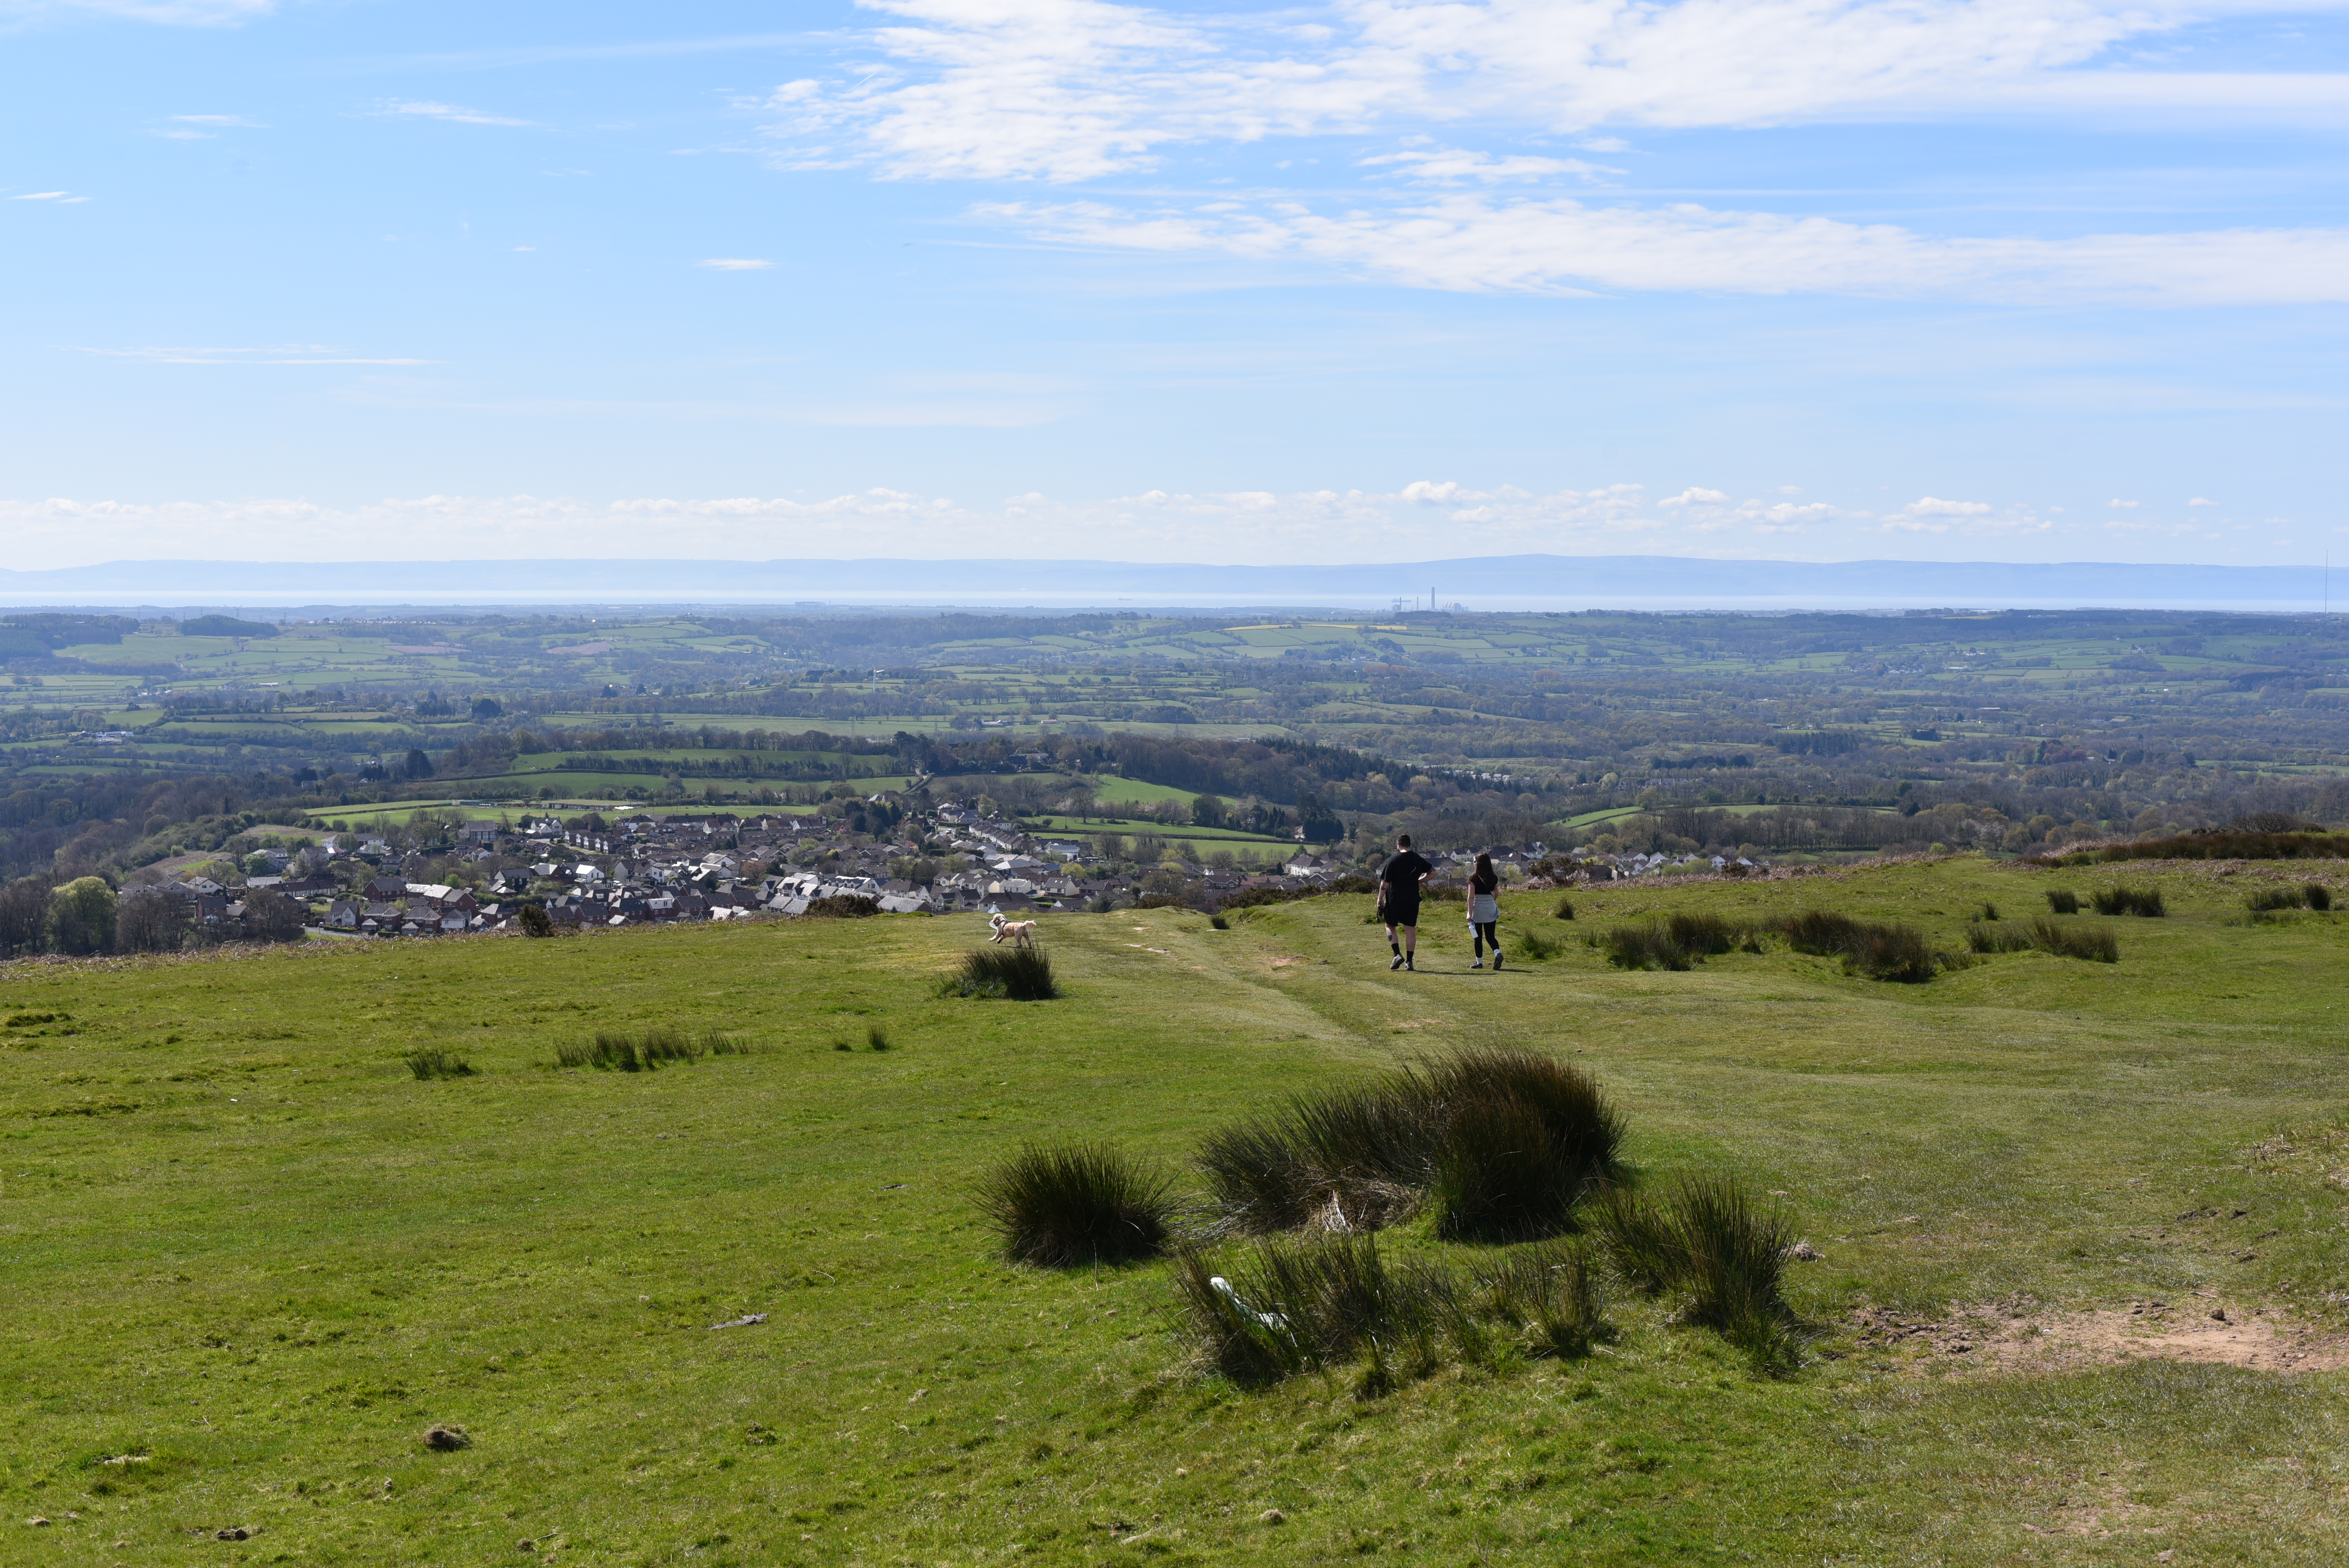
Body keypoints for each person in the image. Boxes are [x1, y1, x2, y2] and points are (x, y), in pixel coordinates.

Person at [1377, 832, 1434, 970]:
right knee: (1410, 929)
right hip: (1413, 898)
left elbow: (1385, 883)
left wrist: (1380, 899)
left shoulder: (1394, 859)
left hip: (1395, 899)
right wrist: (1419, 881)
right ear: (1409, 845)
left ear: (1399, 845)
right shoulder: (1417, 858)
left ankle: (1397, 955)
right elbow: (1433, 873)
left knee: (1390, 926)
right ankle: (1409, 962)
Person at [1467, 851, 1502, 970]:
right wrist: (1491, 902)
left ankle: (1479, 963)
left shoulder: (1473, 878)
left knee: (1478, 938)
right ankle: (1498, 954)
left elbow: (1471, 897)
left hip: (1478, 910)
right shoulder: (1494, 877)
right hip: (1490, 908)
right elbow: (1497, 893)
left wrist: (1469, 913)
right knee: (1491, 936)